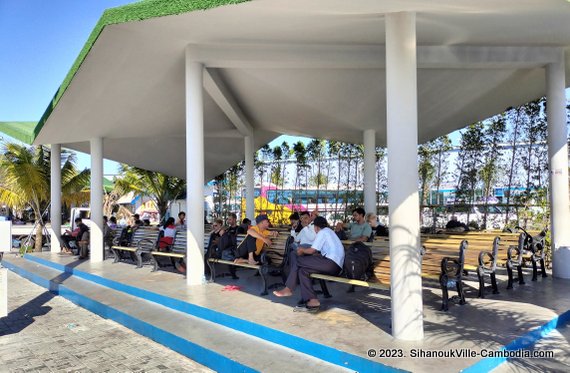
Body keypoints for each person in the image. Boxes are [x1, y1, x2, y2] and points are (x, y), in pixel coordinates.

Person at [273, 216, 345, 312]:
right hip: (334, 265)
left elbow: (311, 251)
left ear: (316, 227)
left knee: (297, 260)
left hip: (330, 263)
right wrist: (305, 251)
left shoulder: (322, 232)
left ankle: (289, 288)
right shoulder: (329, 232)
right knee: (303, 271)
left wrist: (302, 250)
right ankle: (313, 300)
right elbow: (317, 251)